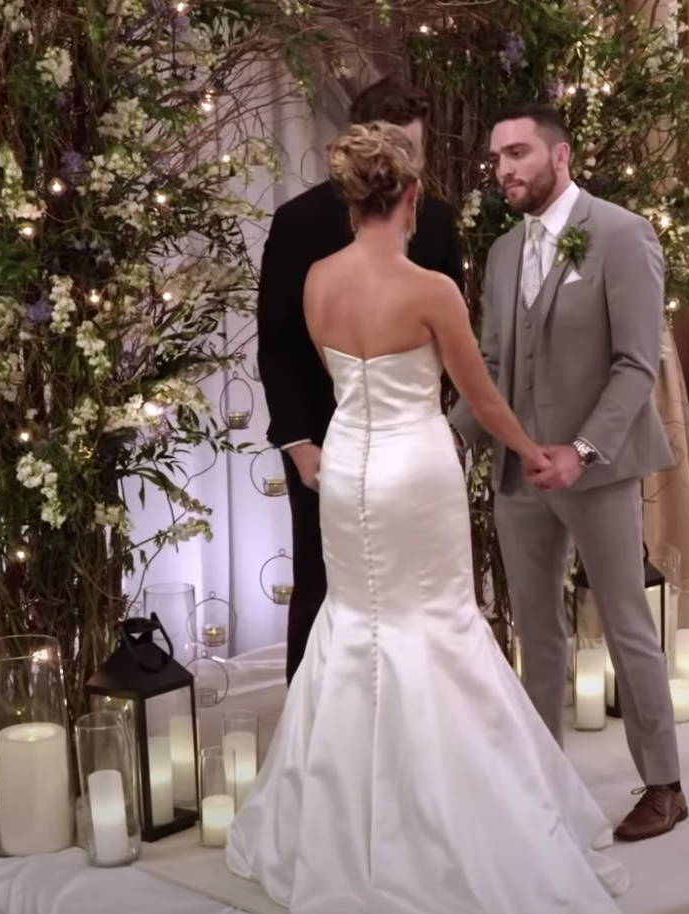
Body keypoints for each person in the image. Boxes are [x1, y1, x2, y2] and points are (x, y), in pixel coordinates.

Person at [225, 122, 630, 914]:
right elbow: (479, 399)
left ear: (351, 201)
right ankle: (454, 822)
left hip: (346, 466)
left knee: (356, 623)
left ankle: (341, 826)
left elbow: (332, 375)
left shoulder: (316, 283)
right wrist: (536, 451)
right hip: (414, 466)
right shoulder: (431, 291)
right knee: (436, 623)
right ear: (409, 197)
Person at [447, 104, 686, 842]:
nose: (504, 170)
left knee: (624, 623)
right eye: (496, 160)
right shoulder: (500, 254)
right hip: (519, 472)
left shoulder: (622, 234)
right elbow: (488, 366)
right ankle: (540, 777)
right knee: (538, 634)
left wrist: (580, 452)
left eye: (517, 153)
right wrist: (437, 439)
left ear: (561, 156)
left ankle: (665, 785)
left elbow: (635, 365)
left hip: (597, 472)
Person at [256, 77, 463, 686]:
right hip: (325, 445)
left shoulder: (439, 221)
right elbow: (279, 343)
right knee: (323, 589)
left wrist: (440, 432)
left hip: (414, 456)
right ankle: (316, 730)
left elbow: (450, 347)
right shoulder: (296, 222)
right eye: (398, 146)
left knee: (423, 598)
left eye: (415, 152)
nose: (404, 166)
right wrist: (299, 444)